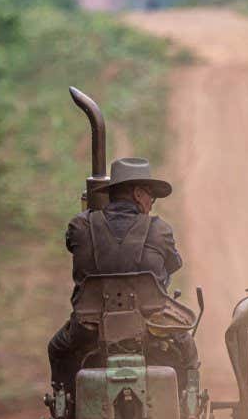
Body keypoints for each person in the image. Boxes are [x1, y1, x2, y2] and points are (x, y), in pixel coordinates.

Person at [47, 157, 198, 391]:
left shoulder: (80, 225)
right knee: (186, 347)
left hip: (89, 326)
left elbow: (72, 244)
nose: (152, 203)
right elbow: (174, 263)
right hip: (150, 325)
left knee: (57, 348)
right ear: (138, 194)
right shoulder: (160, 229)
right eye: (151, 196)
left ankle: (63, 408)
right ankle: (189, 411)